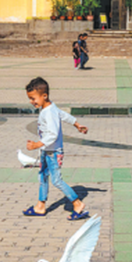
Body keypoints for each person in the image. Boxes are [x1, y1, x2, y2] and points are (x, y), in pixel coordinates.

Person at [23, 77, 90, 220]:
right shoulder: (50, 107)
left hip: (53, 152)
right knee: (42, 176)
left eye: (33, 98)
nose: (31, 102)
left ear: (44, 96)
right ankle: (40, 206)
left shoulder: (49, 112)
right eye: (30, 98)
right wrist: (76, 124)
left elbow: (53, 134)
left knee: (56, 180)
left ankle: (77, 203)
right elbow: (63, 115)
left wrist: (37, 144)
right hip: (47, 151)